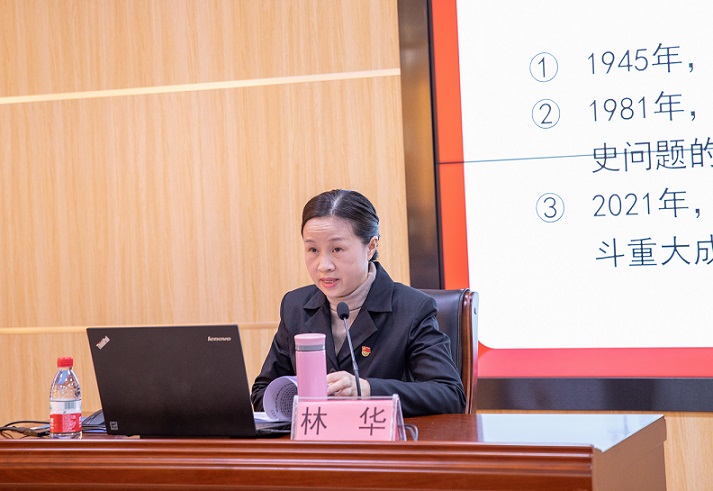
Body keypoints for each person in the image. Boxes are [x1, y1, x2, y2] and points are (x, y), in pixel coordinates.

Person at [250, 189, 465, 417]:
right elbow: (262, 393)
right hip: (315, 437)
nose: (323, 265)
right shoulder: (295, 306)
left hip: (382, 438)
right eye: (313, 250)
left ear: (371, 247)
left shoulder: (412, 309)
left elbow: (450, 395)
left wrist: (368, 390)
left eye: (337, 249)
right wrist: (298, 400)